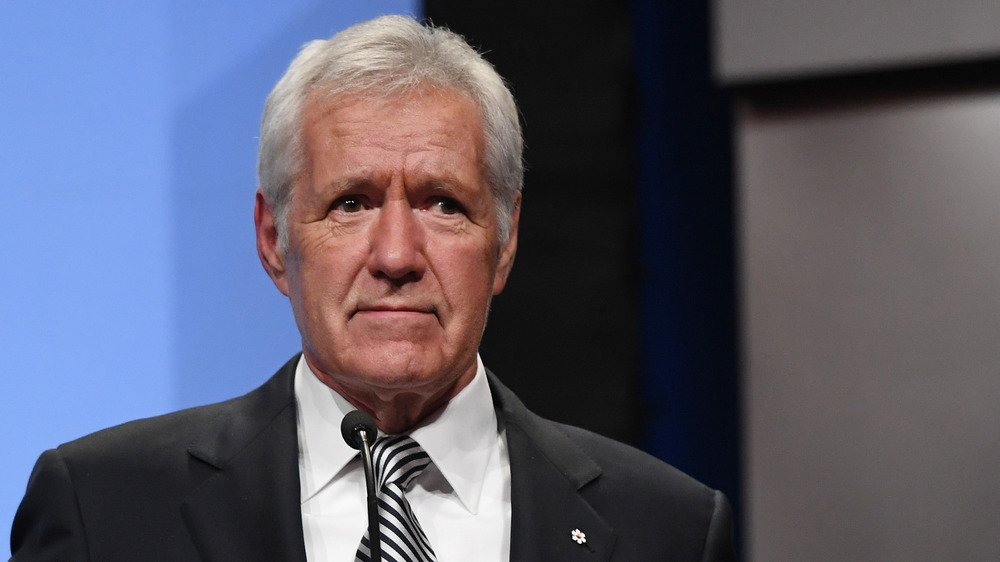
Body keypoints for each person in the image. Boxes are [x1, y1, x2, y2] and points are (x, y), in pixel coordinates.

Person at [10, 15, 735, 562]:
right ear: (273, 238)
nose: (396, 255)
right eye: (350, 203)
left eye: (443, 204)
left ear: (506, 239)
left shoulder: (667, 529)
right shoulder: (103, 510)